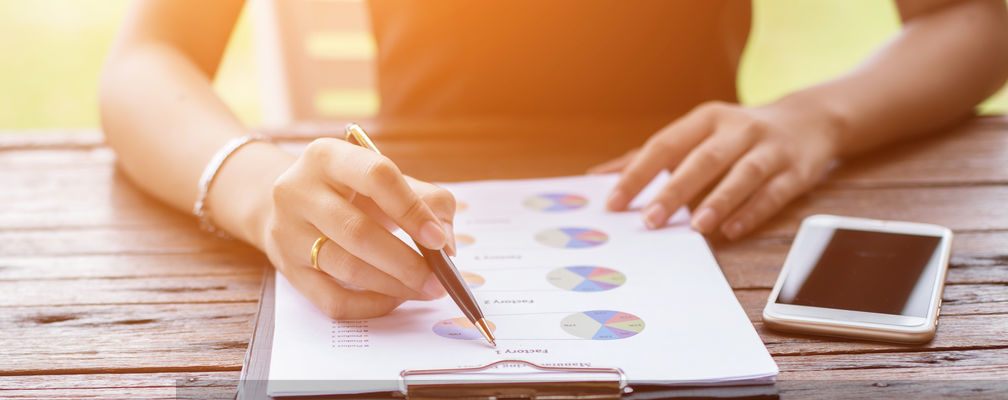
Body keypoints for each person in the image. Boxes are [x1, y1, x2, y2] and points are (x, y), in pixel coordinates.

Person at [98, 0, 1008, 319]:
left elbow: (977, 17)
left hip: (689, 215)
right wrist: (256, 187)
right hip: (420, 207)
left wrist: (819, 116)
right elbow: (144, 61)